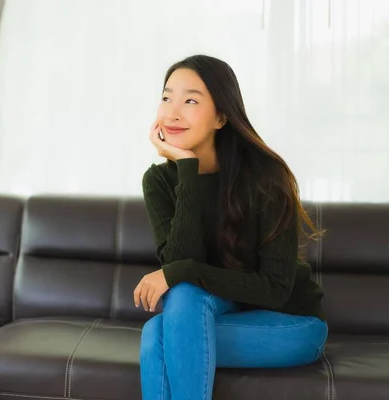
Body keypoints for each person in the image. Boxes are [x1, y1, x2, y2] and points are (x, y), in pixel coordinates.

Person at [134, 55, 328, 400]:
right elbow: (181, 265)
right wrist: (187, 170)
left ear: (221, 116)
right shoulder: (159, 182)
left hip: (289, 322)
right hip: (212, 314)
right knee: (179, 298)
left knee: (159, 334)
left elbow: (274, 290)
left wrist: (186, 271)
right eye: (167, 98)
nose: (173, 112)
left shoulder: (266, 178)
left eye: (190, 100)